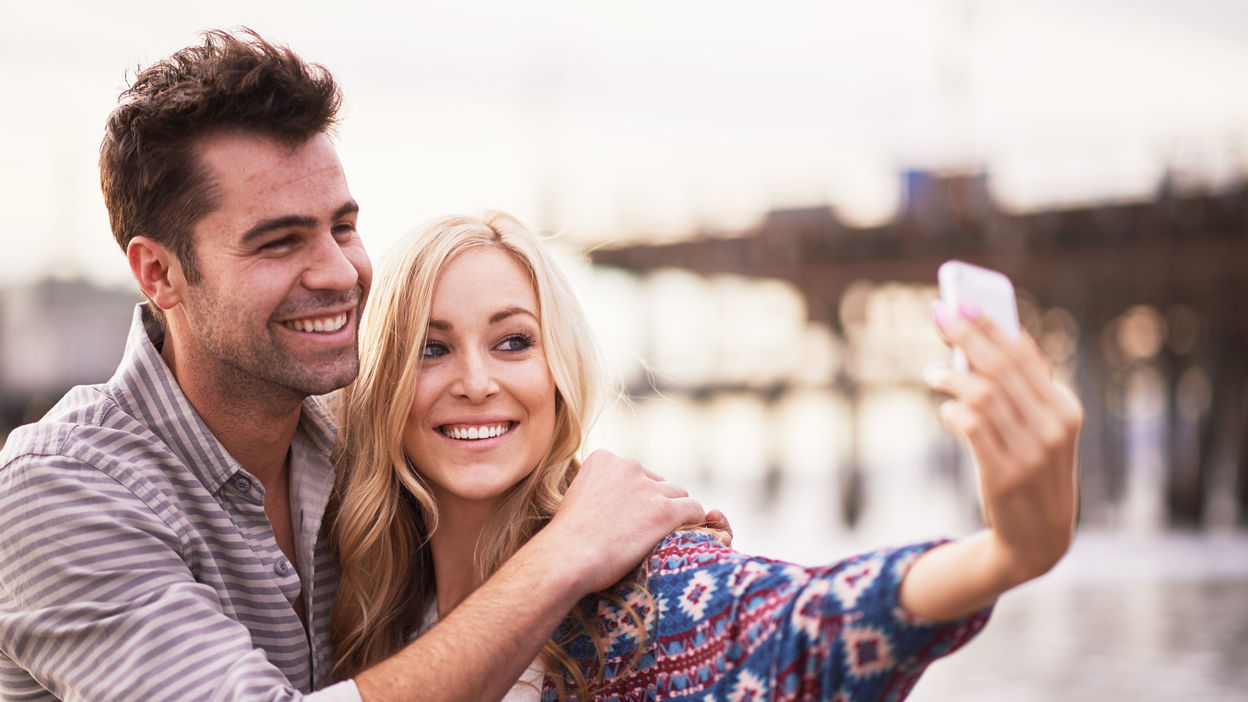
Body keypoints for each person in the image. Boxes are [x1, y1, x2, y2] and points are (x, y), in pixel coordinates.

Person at [0, 31, 712, 702]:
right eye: (280, 242)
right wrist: (568, 553)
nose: (340, 273)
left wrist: (642, 529)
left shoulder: (358, 438)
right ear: (159, 273)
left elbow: (493, 495)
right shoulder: (58, 492)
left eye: (342, 226)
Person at [331, 212, 1084, 700]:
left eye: (513, 342)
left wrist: (1006, 555)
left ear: (559, 377)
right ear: (383, 380)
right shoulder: (358, 604)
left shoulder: (644, 588)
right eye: (431, 348)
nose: (475, 381)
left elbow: (806, 620)